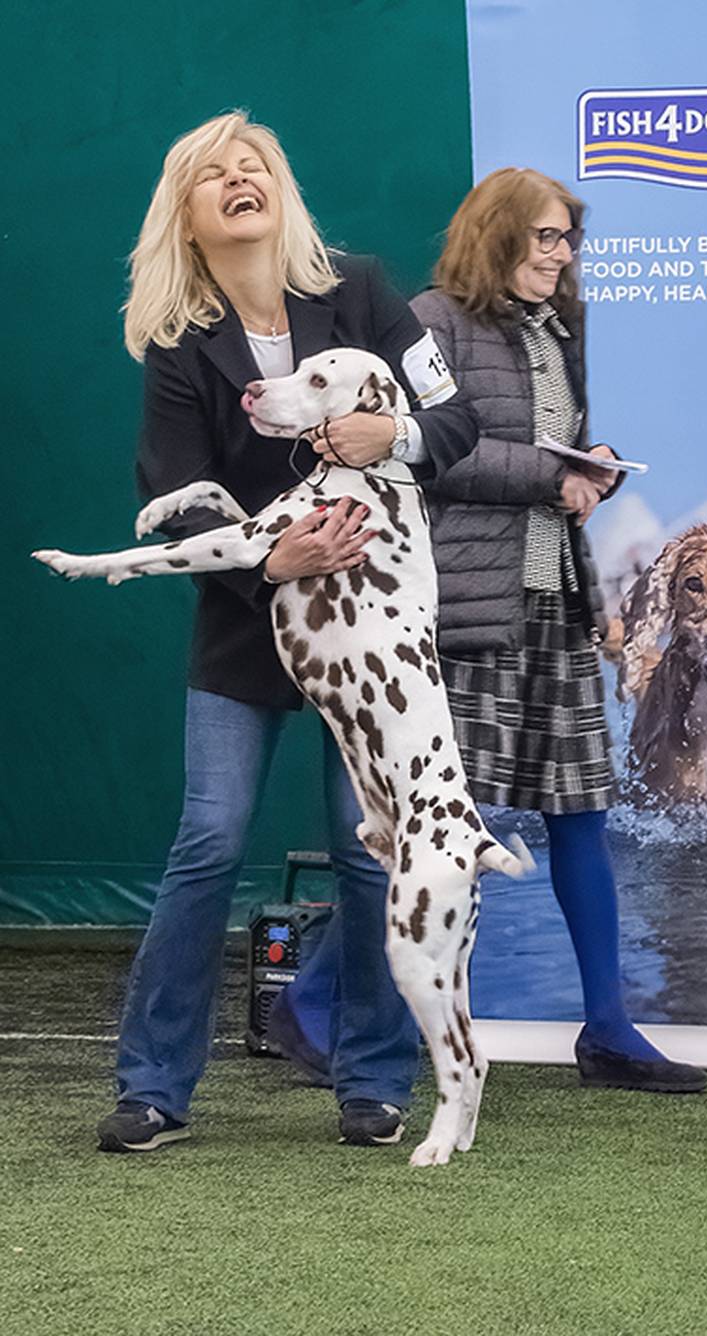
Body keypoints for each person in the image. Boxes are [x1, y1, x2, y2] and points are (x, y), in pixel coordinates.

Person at [96, 111, 476, 1153]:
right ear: (188, 213)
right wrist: (272, 561)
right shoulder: (180, 346)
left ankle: (372, 1081)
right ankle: (153, 1087)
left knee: (372, 860)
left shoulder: (360, 290)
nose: (235, 179)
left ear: (280, 187)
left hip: (373, 651)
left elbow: (455, 426)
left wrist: (386, 432)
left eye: (250, 162)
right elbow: (174, 494)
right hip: (246, 623)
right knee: (207, 842)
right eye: (211, 173)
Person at [408, 167, 707, 1093]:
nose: (563, 254)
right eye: (546, 237)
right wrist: (552, 472)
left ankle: (608, 1031)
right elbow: (426, 448)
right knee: (437, 829)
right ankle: (317, 1009)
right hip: (470, 611)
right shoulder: (430, 321)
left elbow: (546, 463)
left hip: (556, 605)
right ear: (497, 235)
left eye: (568, 239)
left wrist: (591, 464)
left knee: (582, 813)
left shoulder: (557, 330)